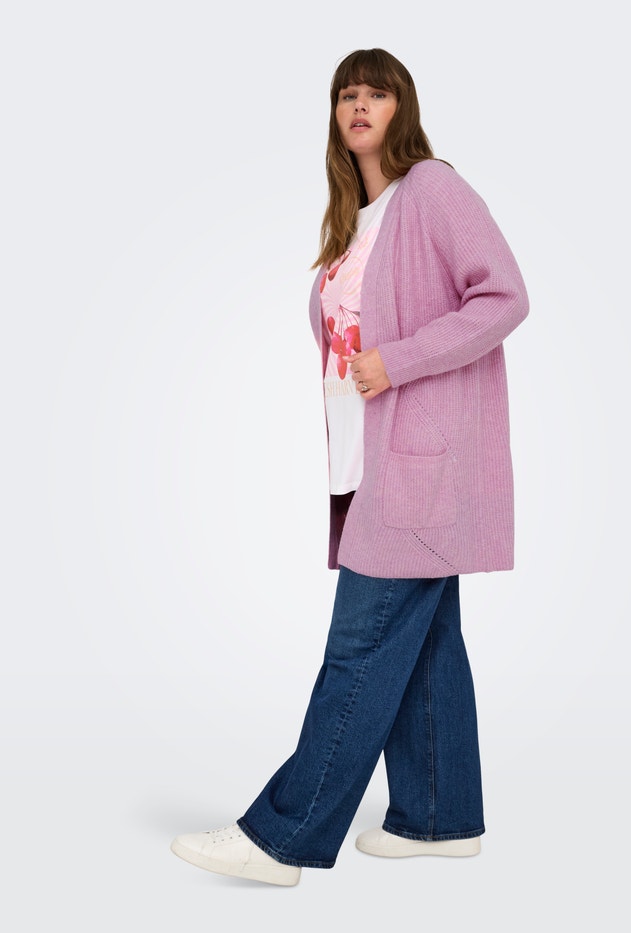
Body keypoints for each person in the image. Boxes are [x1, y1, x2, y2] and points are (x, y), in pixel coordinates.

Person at [171, 47, 529, 887]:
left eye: (377, 93)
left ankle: (282, 837)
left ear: (403, 108)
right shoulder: (355, 222)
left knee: (359, 648)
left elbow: (505, 295)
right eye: (346, 95)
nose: (359, 106)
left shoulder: (431, 190)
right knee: (427, 643)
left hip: (419, 473)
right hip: (370, 467)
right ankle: (438, 818)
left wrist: (396, 361)